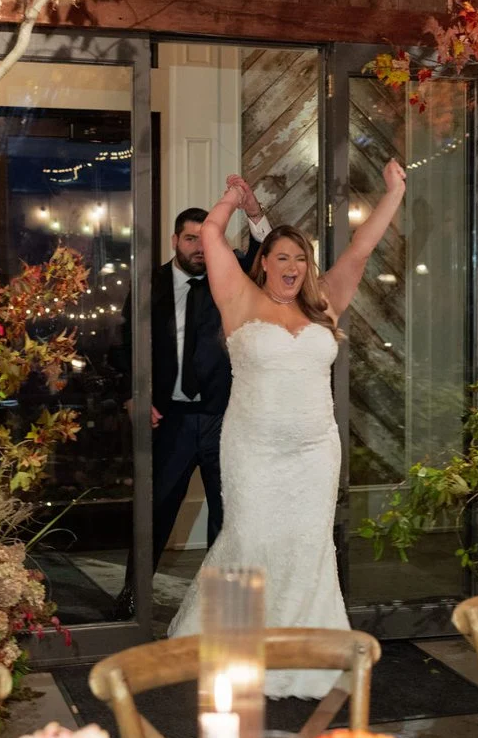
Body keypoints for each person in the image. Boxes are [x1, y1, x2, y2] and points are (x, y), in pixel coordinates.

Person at [168, 160, 407, 697]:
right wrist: (234, 200)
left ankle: (306, 653)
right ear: (264, 263)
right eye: (282, 257)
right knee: (249, 538)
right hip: (253, 448)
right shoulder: (238, 298)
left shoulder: (324, 304)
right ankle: (234, 654)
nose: (293, 266)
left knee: (307, 546)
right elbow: (211, 235)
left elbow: (361, 249)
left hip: (314, 451)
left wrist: (393, 192)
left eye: (301, 258)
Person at [112, 178, 271, 618]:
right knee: (155, 511)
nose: (200, 248)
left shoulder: (232, 275)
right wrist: (133, 396)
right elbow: (125, 346)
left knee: (229, 514)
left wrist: (252, 210)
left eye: (206, 239)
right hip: (172, 420)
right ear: (175, 241)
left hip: (226, 417)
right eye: (190, 239)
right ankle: (133, 597)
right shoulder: (150, 285)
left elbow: (265, 250)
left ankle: (225, 608)